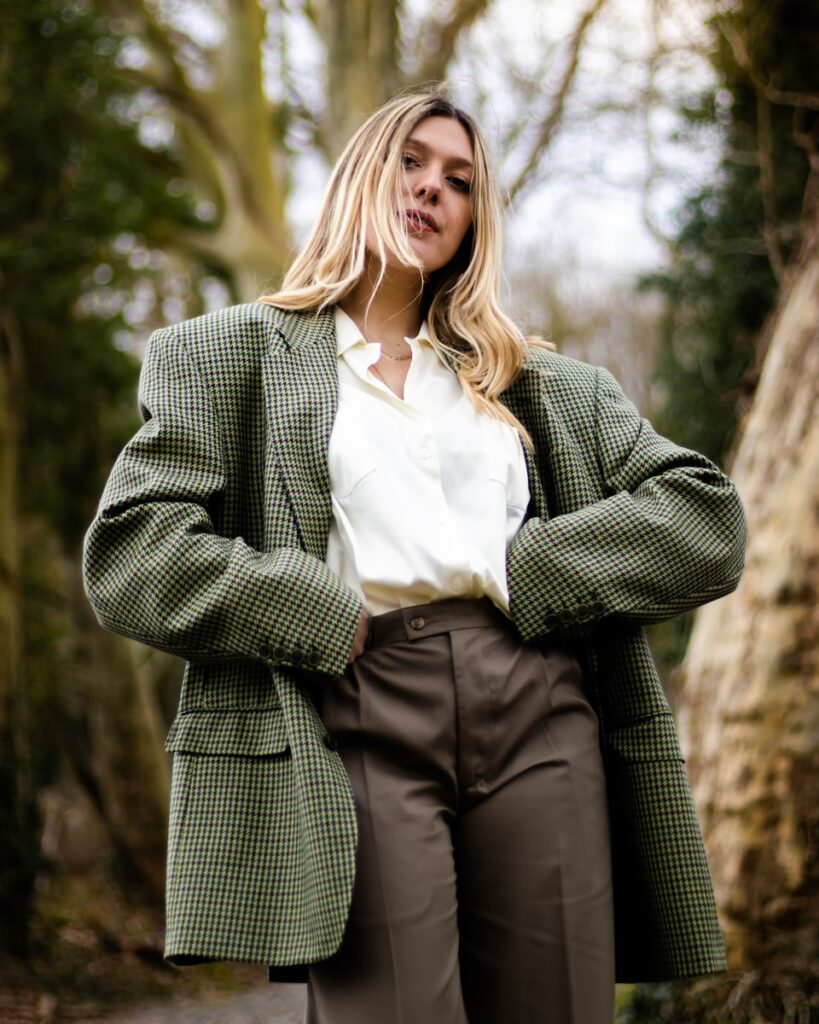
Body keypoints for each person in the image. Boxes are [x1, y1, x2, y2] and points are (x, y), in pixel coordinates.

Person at [82, 87, 747, 1024]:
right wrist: (304, 609)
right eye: (410, 161)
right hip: (358, 715)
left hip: (537, 710)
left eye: (459, 180)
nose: (431, 188)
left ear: (476, 220)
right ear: (361, 173)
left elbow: (704, 520)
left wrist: (534, 570)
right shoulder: (225, 356)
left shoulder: (537, 381)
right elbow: (132, 551)